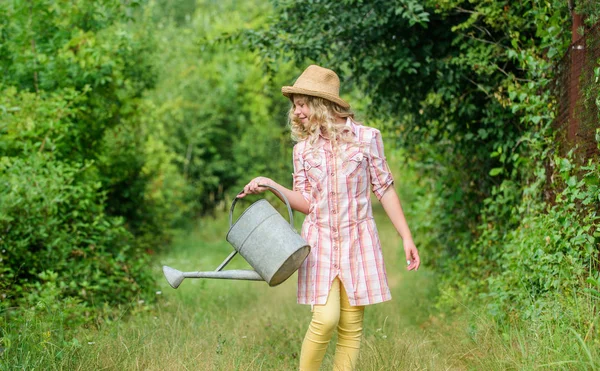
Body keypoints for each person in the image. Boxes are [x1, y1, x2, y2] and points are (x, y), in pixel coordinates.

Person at [238, 65, 420, 371]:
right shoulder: (303, 151)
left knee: (350, 326)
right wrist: (270, 183)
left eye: (302, 104)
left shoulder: (367, 138)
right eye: (295, 106)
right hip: (319, 241)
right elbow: (307, 203)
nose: (296, 112)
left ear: (321, 103)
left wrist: (406, 237)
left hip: (358, 241)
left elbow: (384, 189)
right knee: (325, 320)